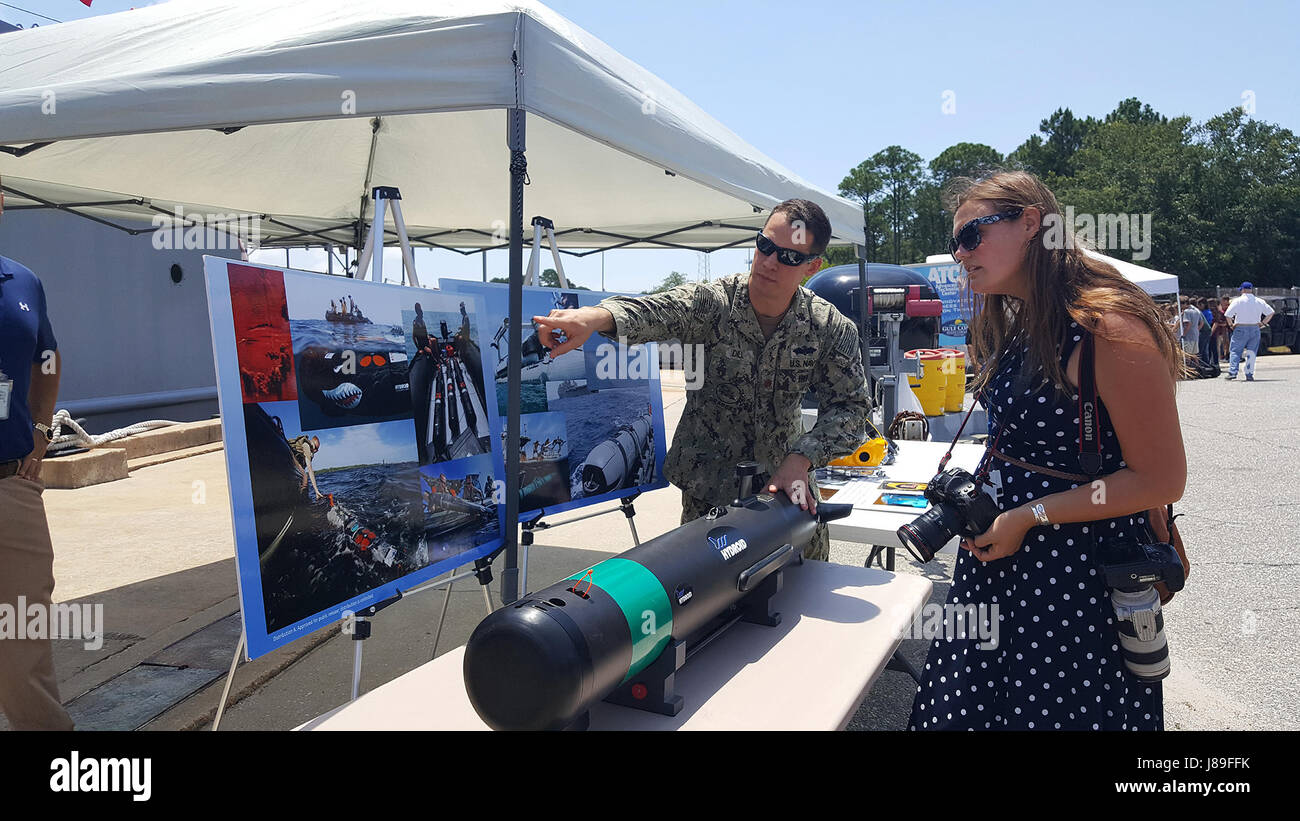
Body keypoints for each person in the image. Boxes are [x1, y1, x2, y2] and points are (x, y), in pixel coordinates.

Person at [909, 171, 1186, 730]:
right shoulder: (1030, 323)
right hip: (1004, 565)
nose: (960, 254)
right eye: (956, 240)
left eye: (972, 236)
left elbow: (1160, 479)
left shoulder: (1108, 326)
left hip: (1071, 585)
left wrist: (1028, 516)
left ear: (1031, 224)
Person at [532, 199, 870, 560]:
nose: (770, 262)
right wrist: (594, 318)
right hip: (710, 496)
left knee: (806, 593)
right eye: (765, 246)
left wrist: (802, 457)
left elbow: (852, 409)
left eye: (788, 257)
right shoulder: (715, 304)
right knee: (707, 600)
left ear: (812, 266)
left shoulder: (829, 328)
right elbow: (659, 309)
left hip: (786, 491)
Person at [0, 179, 74, 730]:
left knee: (23, 634)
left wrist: (43, 429)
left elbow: (46, 359)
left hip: (10, 484)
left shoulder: (23, 281)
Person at [1224, 282, 1274, 381]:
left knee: (1235, 351)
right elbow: (1271, 312)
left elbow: (1228, 315)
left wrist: (1231, 325)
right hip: (1255, 328)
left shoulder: (1237, 301)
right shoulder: (1259, 301)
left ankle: (1233, 372)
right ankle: (1249, 373)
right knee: (1251, 352)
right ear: (1251, 289)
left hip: (1240, 327)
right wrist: (1262, 323)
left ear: (1242, 290)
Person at [288, 434, 322, 500]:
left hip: (294, 459)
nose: (315, 451)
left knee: (303, 477)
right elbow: (310, 469)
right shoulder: (306, 446)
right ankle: (301, 500)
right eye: (316, 448)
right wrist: (316, 490)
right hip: (290, 455)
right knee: (305, 477)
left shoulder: (309, 449)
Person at [1178, 296, 1205, 363]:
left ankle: (1188, 370)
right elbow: (1202, 323)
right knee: (1194, 355)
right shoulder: (1196, 311)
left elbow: (1188, 324)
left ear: (1184, 304)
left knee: (1187, 355)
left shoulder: (1186, 312)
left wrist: (1183, 334)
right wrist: (1196, 330)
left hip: (1188, 337)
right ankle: (1198, 368)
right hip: (1195, 336)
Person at [1215, 296, 1232, 361]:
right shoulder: (1220, 310)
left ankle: (1226, 356)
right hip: (1220, 330)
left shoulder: (1228, 309)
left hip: (1226, 329)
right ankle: (1223, 356)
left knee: (1226, 344)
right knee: (1222, 344)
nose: (1226, 305)